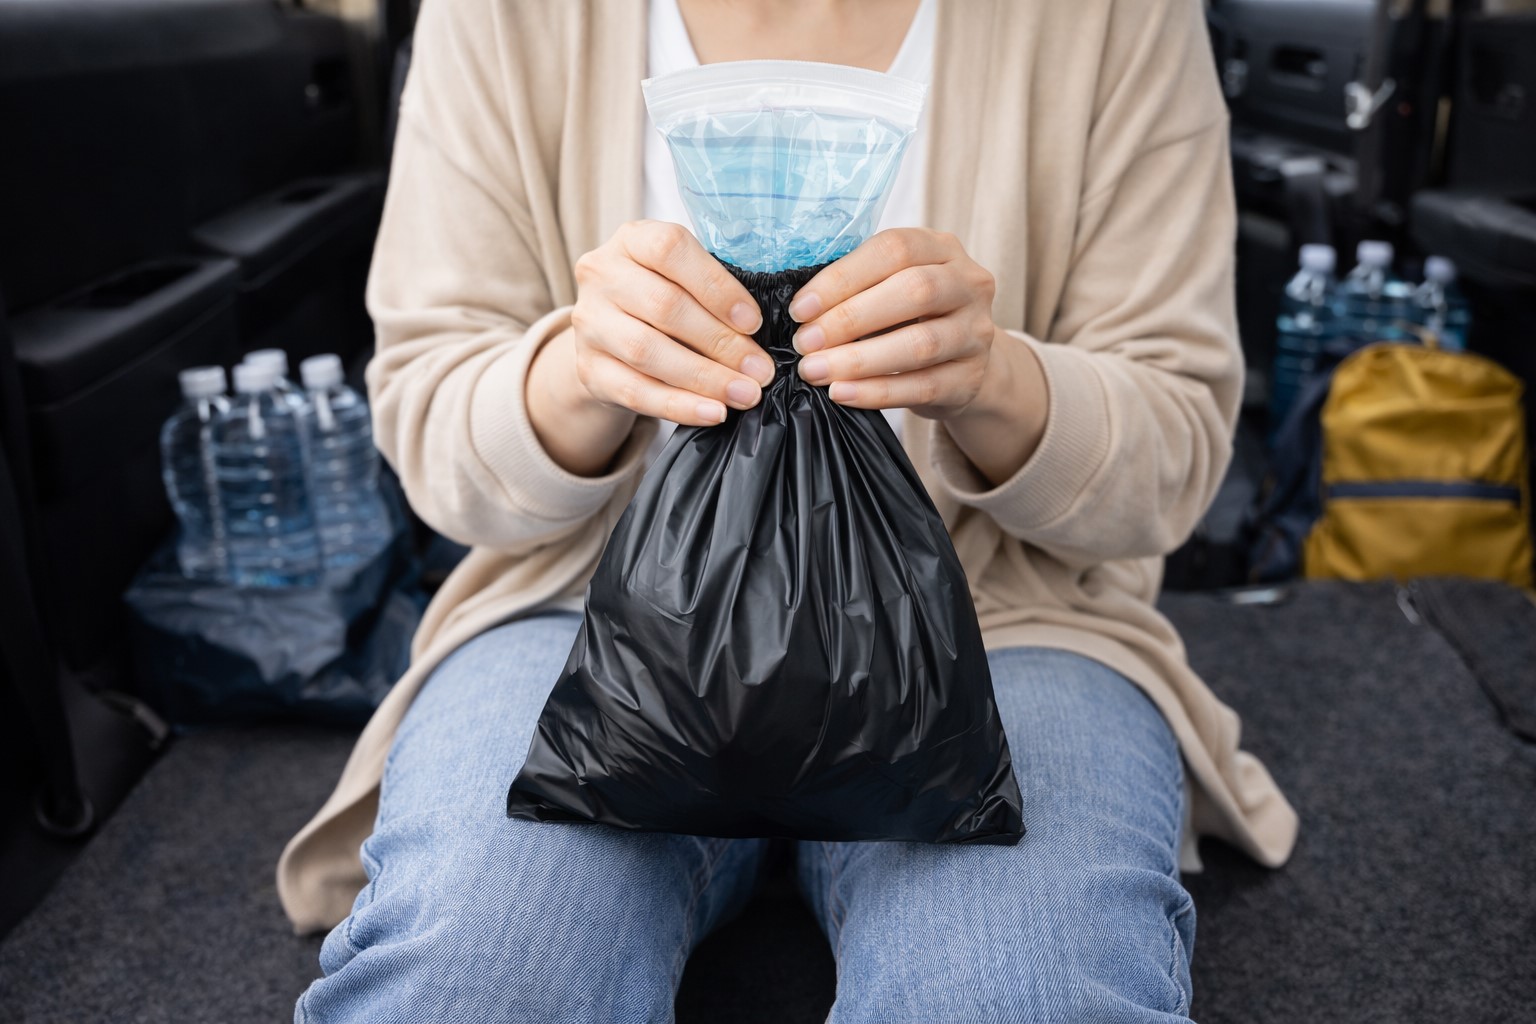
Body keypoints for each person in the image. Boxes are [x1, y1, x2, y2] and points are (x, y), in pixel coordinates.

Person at [285, 0, 1299, 1020]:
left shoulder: (1115, 18)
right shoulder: (504, 16)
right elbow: (428, 431)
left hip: (1006, 628)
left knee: (1024, 989)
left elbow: (1176, 457)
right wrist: (583, 370)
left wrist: (994, 378)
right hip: (588, 625)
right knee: (471, 972)